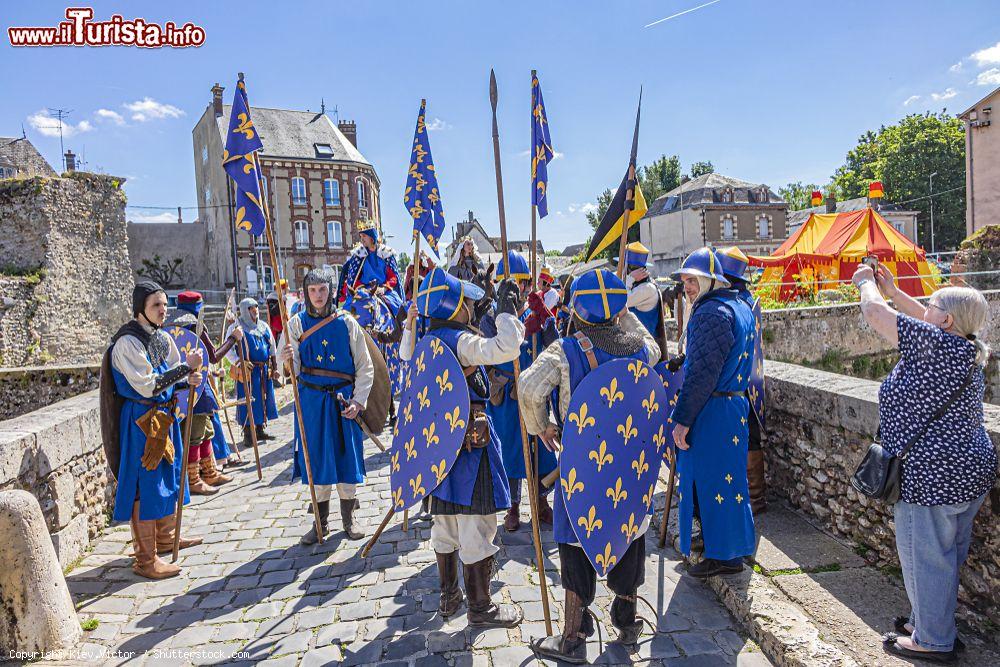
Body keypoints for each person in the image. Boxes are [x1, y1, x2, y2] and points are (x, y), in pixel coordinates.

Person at [852, 265, 996, 663]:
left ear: (946, 320)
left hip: (933, 475)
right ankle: (929, 622)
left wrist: (866, 282)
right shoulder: (963, 345)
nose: (925, 310)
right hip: (969, 470)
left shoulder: (936, 346)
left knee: (925, 556)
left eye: (932, 306)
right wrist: (895, 291)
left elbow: (876, 316)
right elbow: (924, 317)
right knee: (943, 555)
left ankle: (932, 640)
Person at [518, 268, 662, 662]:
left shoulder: (565, 351)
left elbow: (528, 387)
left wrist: (542, 426)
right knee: (629, 534)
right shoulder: (639, 347)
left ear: (576, 309)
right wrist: (623, 313)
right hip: (628, 465)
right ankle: (627, 622)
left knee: (575, 542)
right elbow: (655, 347)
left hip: (583, 465)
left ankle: (573, 637)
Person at [401, 267, 525, 628]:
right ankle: (481, 607)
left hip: (438, 450)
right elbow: (505, 347)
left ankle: (449, 596)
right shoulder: (460, 342)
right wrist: (506, 314)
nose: (472, 305)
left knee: (445, 527)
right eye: (467, 302)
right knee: (476, 527)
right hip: (470, 445)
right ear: (455, 308)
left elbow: (406, 356)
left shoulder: (428, 340)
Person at [100, 281, 204, 579]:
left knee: (166, 477)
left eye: (164, 304)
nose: (163, 310)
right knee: (143, 485)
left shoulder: (160, 338)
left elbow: (171, 375)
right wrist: (185, 369)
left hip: (163, 416)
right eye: (156, 306)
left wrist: (187, 379)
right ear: (140, 310)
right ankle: (146, 560)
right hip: (140, 423)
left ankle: (167, 538)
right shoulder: (127, 343)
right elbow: (147, 384)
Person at [671, 247, 756, 579]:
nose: (688, 287)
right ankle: (729, 547)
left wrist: (682, 419)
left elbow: (702, 374)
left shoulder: (710, 313)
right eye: (685, 281)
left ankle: (722, 555)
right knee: (730, 481)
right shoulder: (740, 305)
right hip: (732, 405)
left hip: (713, 408)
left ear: (711, 280)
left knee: (711, 483)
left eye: (693, 280)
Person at [279, 269, 374, 543]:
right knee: (317, 459)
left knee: (346, 457)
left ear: (331, 291)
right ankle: (320, 521)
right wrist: (286, 358)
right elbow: (291, 371)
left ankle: (349, 517)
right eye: (312, 291)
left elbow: (364, 366)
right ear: (306, 293)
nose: (318, 296)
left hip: (343, 401)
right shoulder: (295, 324)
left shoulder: (347, 323)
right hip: (311, 402)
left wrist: (358, 401)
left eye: (322, 290)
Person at [489, 250, 554, 531]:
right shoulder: (491, 316)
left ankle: (540, 502)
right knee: (510, 451)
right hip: (504, 395)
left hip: (533, 391)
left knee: (538, 446)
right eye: (512, 284)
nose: (519, 289)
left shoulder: (534, 311)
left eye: (522, 283)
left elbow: (554, 349)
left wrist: (546, 323)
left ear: (528, 284)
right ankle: (513, 506)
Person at [166, 291, 242, 494]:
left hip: (182, 387)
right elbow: (214, 356)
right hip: (194, 385)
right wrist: (233, 339)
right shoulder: (193, 327)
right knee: (195, 433)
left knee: (206, 430)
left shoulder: (168, 328)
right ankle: (193, 479)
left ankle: (209, 472)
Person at [717, 247, 767, 514]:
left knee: (744, 439)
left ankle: (754, 498)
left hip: (736, 382)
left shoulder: (732, 305)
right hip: (749, 381)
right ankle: (756, 498)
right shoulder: (748, 300)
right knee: (752, 438)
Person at [226, 298, 279, 447]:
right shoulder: (236, 327)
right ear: (244, 310)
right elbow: (228, 349)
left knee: (262, 399)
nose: (255, 310)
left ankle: (260, 429)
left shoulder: (263, 326)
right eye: (251, 308)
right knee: (247, 401)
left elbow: (272, 348)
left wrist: (274, 368)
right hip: (247, 372)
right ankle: (248, 434)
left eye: (256, 307)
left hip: (262, 370)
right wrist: (239, 361)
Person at [336, 221, 405, 314]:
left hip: (383, 290)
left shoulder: (386, 253)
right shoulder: (359, 255)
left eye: (364, 236)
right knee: (347, 310)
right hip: (364, 290)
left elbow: (393, 277)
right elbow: (354, 279)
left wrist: (384, 288)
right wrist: (363, 289)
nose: (361, 239)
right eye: (360, 237)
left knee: (399, 308)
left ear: (372, 237)